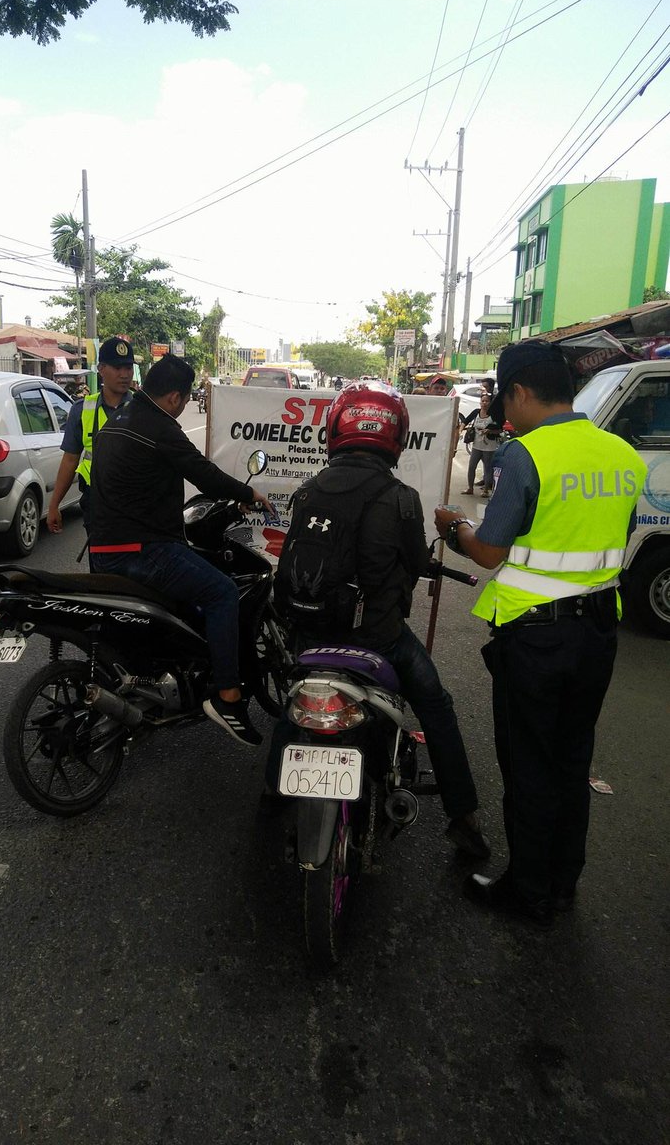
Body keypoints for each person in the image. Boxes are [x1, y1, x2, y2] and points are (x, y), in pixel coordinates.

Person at [434, 341, 646, 926]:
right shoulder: (623, 454)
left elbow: (489, 552)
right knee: (572, 760)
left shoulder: (526, 456)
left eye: (506, 398)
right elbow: (615, 537)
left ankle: (527, 891)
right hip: (599, 631)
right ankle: (561, 880)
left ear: (522, 392)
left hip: (537, 638)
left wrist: (454, 528)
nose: (505, 411)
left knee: (529, 763)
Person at [268, 380, 490, 859]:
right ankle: (464, 818)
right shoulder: (403, 498)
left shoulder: (307, 491)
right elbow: (412, 563)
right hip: (377, 640)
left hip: (311, 637)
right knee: (435, 704)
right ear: (396, 436)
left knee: (294, 706)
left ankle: (271, 794)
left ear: (336, 430)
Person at [87, 354, 276, 747]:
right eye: (187, 398)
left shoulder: (116, 422)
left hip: (102, 551)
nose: (186, 405)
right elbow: (201, 471)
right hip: (144, 551)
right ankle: (228, 697)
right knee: (222, 592)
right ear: (174, 396)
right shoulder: (160, 426)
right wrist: (248, 492)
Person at [47, 337, 135, 537]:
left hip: (134, 504)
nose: (124, 374)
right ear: (101, 369)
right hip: (96, 505)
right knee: (100, 564)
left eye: (128, 368)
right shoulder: (82, 409)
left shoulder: (143, 408)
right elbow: (70, 460)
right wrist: (54, 505)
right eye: (117, 367)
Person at [462, 392, 501, 496]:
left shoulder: (494, 415)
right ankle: (470, 488)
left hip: (489, 447)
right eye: (482, 401)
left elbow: (499, 430)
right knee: (471, 467)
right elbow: (466, 420)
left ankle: (486, 490)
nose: (484, 403)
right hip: (476, 445)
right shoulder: (476, 412)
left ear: (490, 403)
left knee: (488, 468)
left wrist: (489, 431)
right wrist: (460, 429)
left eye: (486, 401)